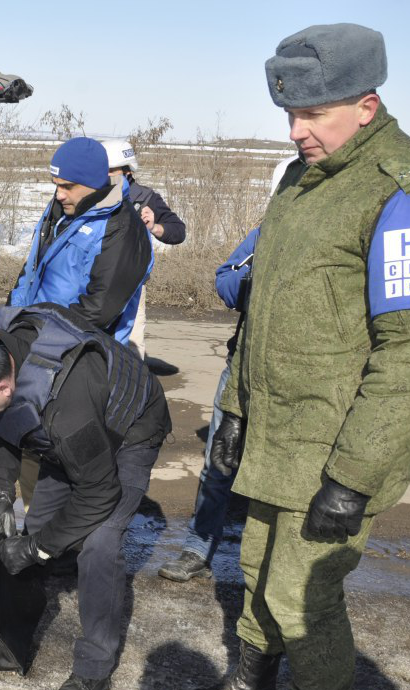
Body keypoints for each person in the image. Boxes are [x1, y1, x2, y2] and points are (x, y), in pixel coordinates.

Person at [168, 23, 410, 690]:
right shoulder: (303, 182)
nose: (297, 132)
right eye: (289, 116)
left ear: (367, 104)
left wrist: (356, 474)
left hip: (336, 445)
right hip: (278, 428)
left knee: (304, 593)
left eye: (315, 115)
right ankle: (251, 687)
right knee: (258, 568)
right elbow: (264, 310)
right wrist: (234, 410)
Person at [0, 303, 170, 690]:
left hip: (130, 428)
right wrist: (2, 493)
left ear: (4, 389)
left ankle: (94, 669)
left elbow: (98, 493)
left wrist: (38, 548)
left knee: (99, 544)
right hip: (78, 429)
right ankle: (49, 571)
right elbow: (1, 427)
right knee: (42, 521)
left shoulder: (66, 408)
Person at [158, 156, 294, 582]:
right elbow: (225, 280)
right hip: (244, 367)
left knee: (287, 471)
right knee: (219, 462)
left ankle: (282, 566)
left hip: (303, 380)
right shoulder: (264, 235)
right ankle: (198, 547)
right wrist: (253, 281)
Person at [10, 137, 153, 347]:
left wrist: (39, 334)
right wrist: (13, 319)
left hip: (77, 353)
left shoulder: (122, 227)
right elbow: (32, 270)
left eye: (67, 186)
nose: (59, 194)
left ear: (92, 182)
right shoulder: (61, 210)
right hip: (34, 337)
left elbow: (98, 310)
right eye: (56, 185)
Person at [99, 138, 187, 358]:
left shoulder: (145, 198)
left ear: (127, 171)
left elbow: (178, 231)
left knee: (131, 348)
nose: (105, 175)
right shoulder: (92, 196)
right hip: (94, 283)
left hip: (132, 287)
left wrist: (155, 227)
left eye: (111, 170)